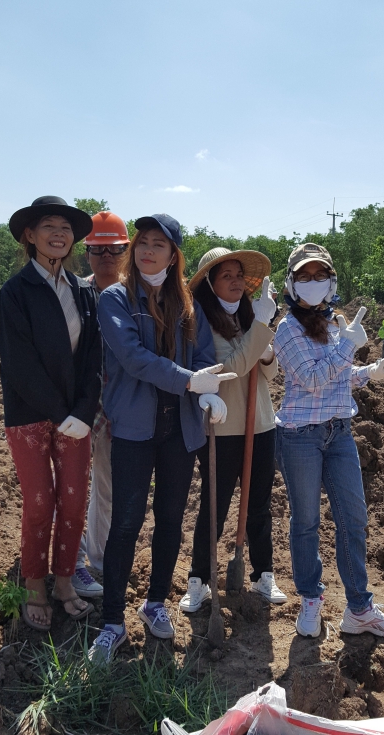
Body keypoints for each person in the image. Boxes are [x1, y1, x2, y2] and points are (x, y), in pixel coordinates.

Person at [89, 214, 237, 663]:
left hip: (179, 430)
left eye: (159, 244)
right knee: (126, 523)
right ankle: (112, 622)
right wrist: (191, 382)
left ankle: (155, 603)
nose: (148, 251)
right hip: (134, 428)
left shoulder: (187, 304)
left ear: (174, 255)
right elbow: (133, 358)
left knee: (170, 520)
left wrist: (208, 391)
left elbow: (205, 355)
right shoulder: (115, 299)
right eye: (143, 242)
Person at [274, 242, 384, 639]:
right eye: (304, 275)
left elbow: (338, 376)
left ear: (331, 281)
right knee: (306, 522)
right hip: (300, 436)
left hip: (339, 432)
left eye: (320, 274)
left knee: (354, 518)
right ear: (291, 283)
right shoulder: (287, 329)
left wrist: (370, 372)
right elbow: (313, 379)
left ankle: (359, 608)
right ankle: (310, 599)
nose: (312, 281)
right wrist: (349, 345)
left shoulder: (336, 324)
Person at [0, 196, 102, 631]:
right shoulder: (15, 293)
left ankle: (65, 582)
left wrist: (84, 410)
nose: (58, 234)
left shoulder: (83, 291)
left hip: (76, 417)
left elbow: (93, 357)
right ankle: (34, 584)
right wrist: (61, 414)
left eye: (65, 228)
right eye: (48, 226)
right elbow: (20, 365)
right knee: (40, 503)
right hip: (30, 415)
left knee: (73, 503)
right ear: (30, 235)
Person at [179, 248, 287, 614]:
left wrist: (266, 350)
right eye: (226, 276)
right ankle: (199, 579)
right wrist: (260, 332)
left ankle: (263, 574)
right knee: (215, 506)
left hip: (260, 424)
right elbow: (233, 366)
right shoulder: (200, 324)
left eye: (239, 275)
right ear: (210, 283)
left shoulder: (250, 316)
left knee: (258, 505)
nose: (236, 282)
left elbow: (269, 372)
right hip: (222, 429)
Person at [72, 211, 130, 599]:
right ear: (87, 253)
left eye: (114, 249)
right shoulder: (75, 294)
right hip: (78, 405)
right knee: (71, 485)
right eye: (98, 250)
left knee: (107, 487)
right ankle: (71, 560)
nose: (106, 256)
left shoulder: (135, 297)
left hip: (119, 407)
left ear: (126, 251)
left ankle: (100, 558)